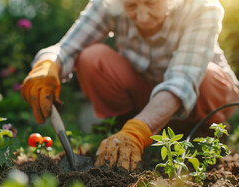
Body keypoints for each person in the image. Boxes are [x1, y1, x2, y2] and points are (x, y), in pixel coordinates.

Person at [20, 0, 239, 171]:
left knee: (207, 76)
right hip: (146, 97)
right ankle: (121, 133)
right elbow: (68, 48)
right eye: (131, 5)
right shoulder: (108, 4)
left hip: (202, 97)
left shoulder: (202, 8)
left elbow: (182, 80)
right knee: (92, 58)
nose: (142, 15)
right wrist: (47, 65)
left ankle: (202, 135)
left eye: (151, 3)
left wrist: (138, 130)